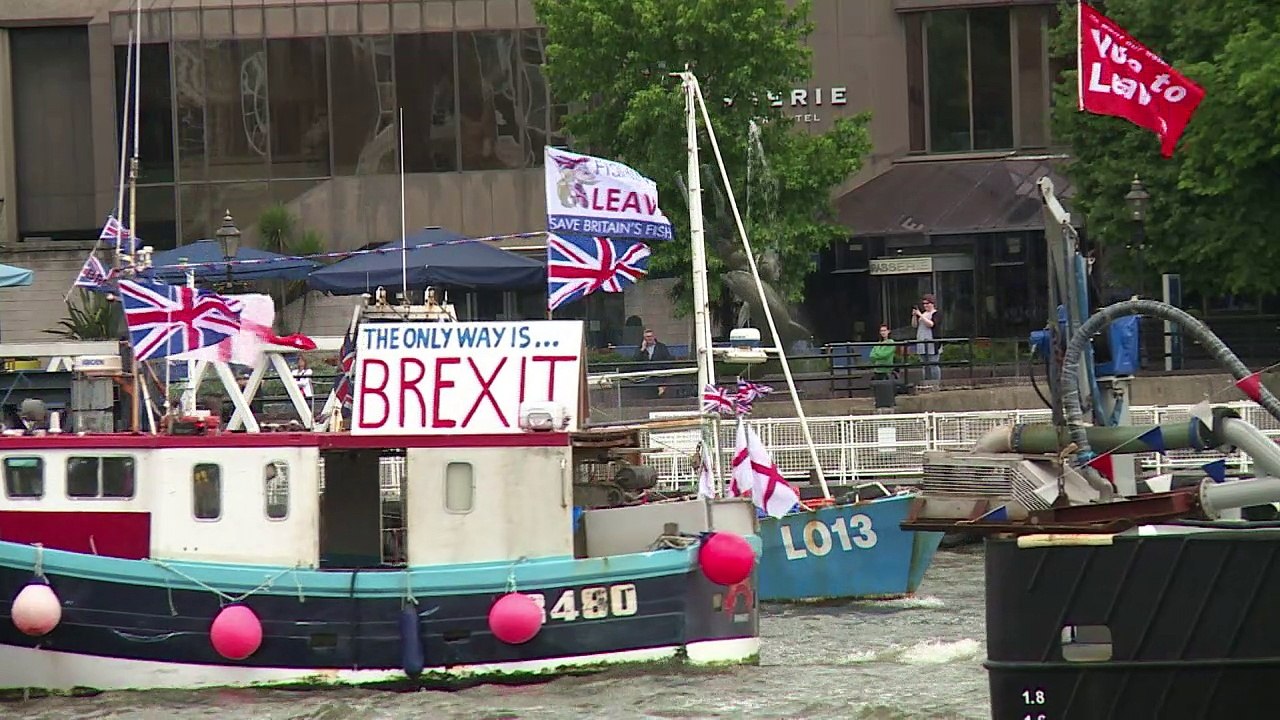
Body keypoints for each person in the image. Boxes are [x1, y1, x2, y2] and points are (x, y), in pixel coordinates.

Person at [911, 294, 941, 385]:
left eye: (927, 303)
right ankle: (926, 383)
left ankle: (936, 383)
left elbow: (931, 324)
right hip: (921, 342)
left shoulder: (936, 313)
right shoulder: (923, 314)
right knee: (924, 365)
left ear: (932, 303)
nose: (925, 305)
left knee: (933, 364)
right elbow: (914, 325)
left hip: (932, 342)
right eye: (924, 304)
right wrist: (914, 316)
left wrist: (920, 315)